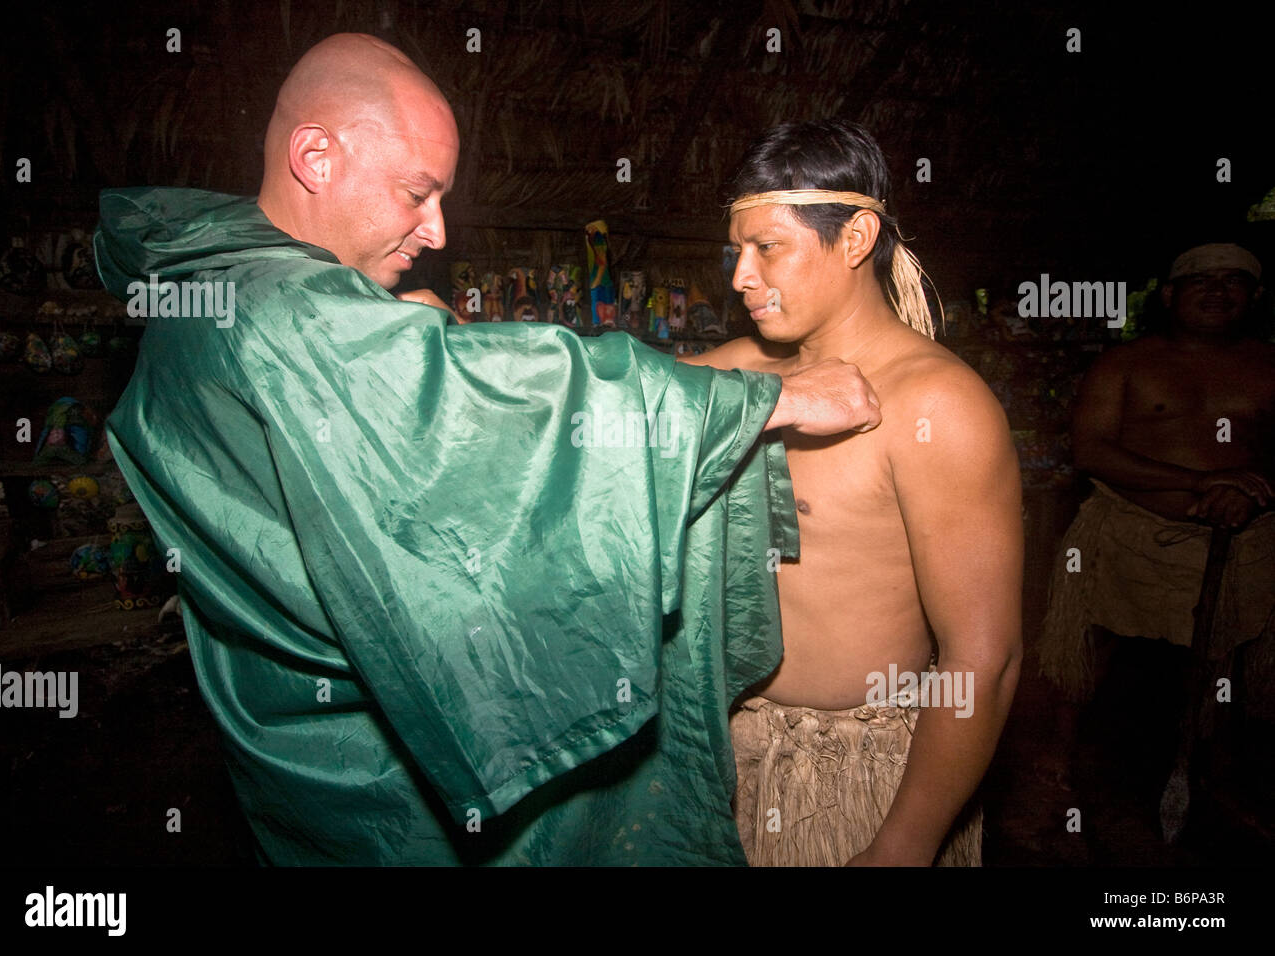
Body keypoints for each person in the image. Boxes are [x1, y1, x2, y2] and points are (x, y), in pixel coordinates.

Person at [93, 34, 881, 865]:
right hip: (395, 798)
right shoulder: (287, 318)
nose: (436, 231)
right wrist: (769, 399)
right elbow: (533, 410)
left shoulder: (203, 284)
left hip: (303, 774)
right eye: (416, 193)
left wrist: (394, 333)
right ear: (315, 156)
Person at [680, 120, 1023, 866]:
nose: (741, 277)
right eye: (736, 251)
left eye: (767, 248)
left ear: (857, 236)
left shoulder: (936, 406)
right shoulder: (738, 373)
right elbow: (606, 405)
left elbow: (981, 658)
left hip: (855, 781)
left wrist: (904, 843)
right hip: (723, 761)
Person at [1037, 243, 1275, 797]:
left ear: (1256, 296)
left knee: (1225, 659)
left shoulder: (1268, 365)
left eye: (1233, 281)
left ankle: (1212, 771)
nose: (1217, 291)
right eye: (1201, 281)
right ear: (1170, 296)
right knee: (1089, 650)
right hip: (1129, 528)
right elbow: (1091, 451)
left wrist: (1255, 492)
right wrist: (1202, 482)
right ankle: (1059, 761)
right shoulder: (1125, 363)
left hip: (1244, 537)